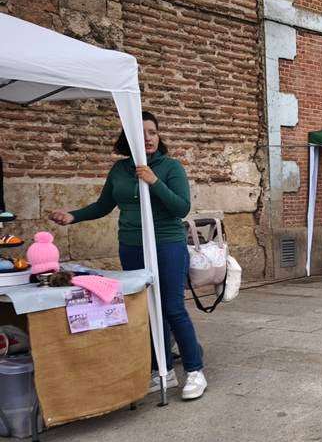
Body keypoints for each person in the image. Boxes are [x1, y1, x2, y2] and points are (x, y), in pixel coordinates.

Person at [49, 111, 208, 400]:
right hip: (132, 245)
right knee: (146, 308)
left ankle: (195, 370)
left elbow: (181, 208)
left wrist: (154, 181)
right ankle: (163, 369)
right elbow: (103, 206)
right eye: (142, 132)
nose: (148, 137)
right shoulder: (120, 170)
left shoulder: (170, 167)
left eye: (153, 132)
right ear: (128, 138)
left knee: (172, 308)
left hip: (166, 244)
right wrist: (72, 216)